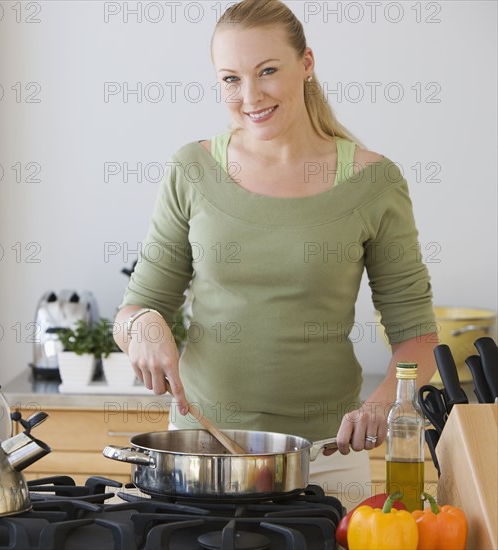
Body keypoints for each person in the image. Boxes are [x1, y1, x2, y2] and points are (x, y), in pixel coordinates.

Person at [113, 0, 438, 503]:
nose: (249, 96)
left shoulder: (374, 182)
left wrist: (383, 406)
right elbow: (135, 308)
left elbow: (417, 334)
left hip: (325, 455)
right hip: (203, 451)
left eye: (267, 71)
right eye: (230, 79)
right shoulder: (191, 171)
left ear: (306, 64)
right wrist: (143, 327)